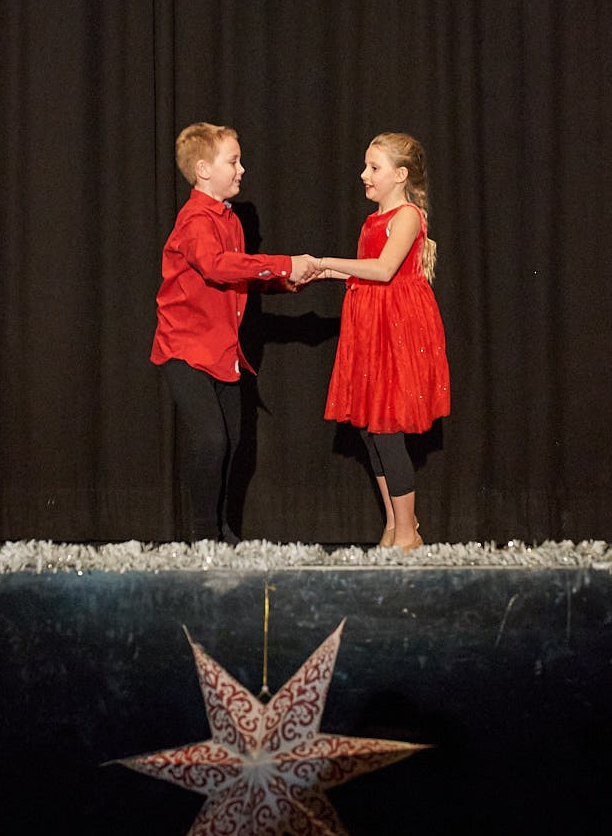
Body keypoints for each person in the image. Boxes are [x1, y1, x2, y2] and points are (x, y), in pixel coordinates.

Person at [151, 122, 319, 543]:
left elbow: (234, 276)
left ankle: (223, 531)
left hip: (222, 351)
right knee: (212, 441)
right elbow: (216, 266)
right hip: (185, 349)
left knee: (233, 441)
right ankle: (205, 537)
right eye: (233, 161)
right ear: (203, 169)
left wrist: (281, 282)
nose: (241, 169)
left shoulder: (230, 220)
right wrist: (283, 263)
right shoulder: (195, 220)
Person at [315, 132, 450, 550]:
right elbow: (362, 270)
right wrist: (317, 271)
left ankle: (409, 533)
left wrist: (326, 261)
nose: (364, 174)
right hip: (370, 328)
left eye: (374, 168)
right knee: (371, 430)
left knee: (388, 426)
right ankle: (393, 526)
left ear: (400, 175)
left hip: (396, 330)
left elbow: (384, 269)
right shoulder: (372, 220)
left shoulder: (406, 215)